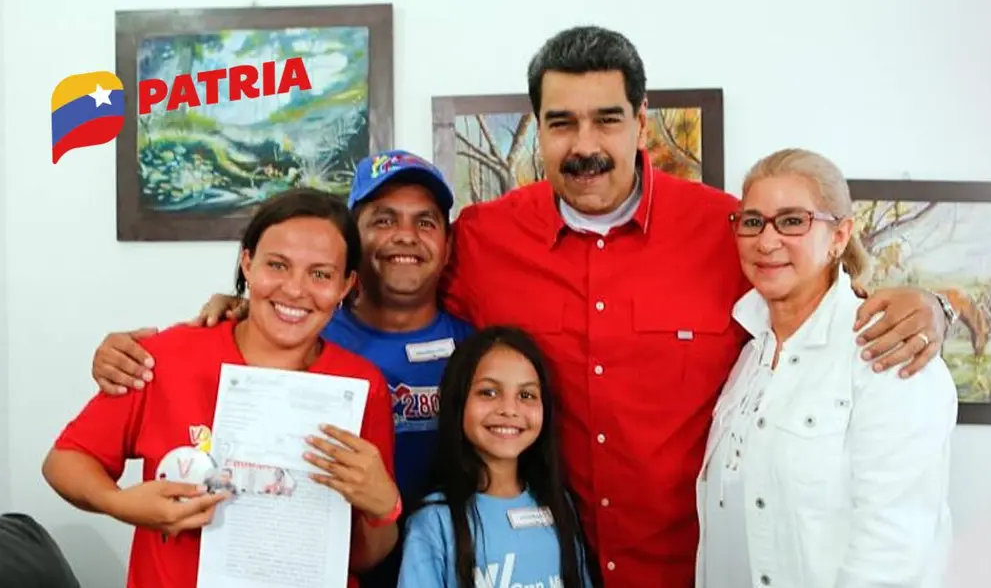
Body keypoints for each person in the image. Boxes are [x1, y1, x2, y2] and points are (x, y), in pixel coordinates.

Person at [82, 27, 956, 587]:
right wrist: (228, 314)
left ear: (641, 122)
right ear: (537, 127)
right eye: (562, 122)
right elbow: (382, 288)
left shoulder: (722, 228)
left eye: (607, 120)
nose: (585, 145)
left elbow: (805, 281)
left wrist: (935, 306)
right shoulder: (484, 239)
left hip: (686, 569)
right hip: (519, 563)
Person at [88, 149, 474, 588]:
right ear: (355, 243)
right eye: (383, 220)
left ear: (447, 244)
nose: (404, 236)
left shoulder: (472, 347)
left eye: (425, 222)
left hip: (437, 562)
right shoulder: (294, 327)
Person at [41, 188, 401, 588]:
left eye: (320, 274)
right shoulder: (165, 356)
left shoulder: (361, 385)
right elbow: (66, 461)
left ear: (347, 284)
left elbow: (364, 555)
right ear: (247, 261)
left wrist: (384, 506)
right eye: (277, 265)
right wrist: (121, 503)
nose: (295, 290)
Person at [694, 148, 956, 588]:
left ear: (839, 236)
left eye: (793, 220)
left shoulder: (884, 352)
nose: (767, 240)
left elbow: (894, 551)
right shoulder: (748, 357)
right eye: (752, 221)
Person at [397, 326, 595, 588]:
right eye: (489, 392)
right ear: (458, 401)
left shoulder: (560, 504)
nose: (509, 409)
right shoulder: (434, 520)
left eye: (526, 395)